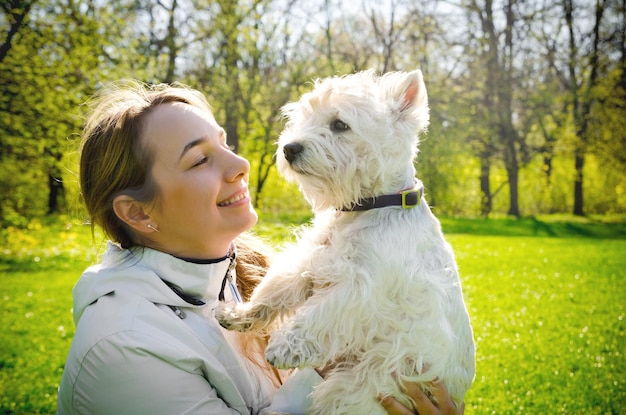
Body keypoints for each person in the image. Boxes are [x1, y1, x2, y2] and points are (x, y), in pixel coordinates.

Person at [56, 81, 463, 415]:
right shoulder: (123, 348)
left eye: (224, 143)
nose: (241, 165)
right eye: (199, 160)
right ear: (138, 213)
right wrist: (337, 368)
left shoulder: (250, 273)